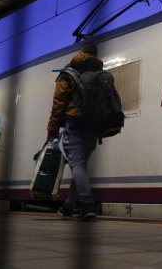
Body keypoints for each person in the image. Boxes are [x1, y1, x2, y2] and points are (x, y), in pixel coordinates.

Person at [47, 41, 103, 221]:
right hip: (93, 129)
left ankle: (87, 204)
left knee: (77, 166)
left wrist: (52, 129)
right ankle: (68, 206)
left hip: (74, 127)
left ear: (81, 52)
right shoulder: (99, 74)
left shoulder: (68, 74)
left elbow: (59, 104)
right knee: (80, 166)